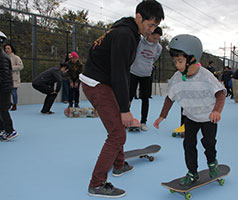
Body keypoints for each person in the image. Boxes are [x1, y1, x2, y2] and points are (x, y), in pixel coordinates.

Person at [79, 0, 164, 198]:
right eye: (150, 25)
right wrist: (124, 108)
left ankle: (119, 165)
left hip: (101, 81)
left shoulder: (126, 30)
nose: (152, 30)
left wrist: (122, 106)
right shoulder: (125, 35)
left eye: (155, 26)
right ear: (138, 17)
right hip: (97, 84)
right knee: (117, 133)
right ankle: (97, 184)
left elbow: (116, 67)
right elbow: (120, 72)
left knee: (118, 128)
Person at [153, 34, 226, 186]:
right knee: (188, 145)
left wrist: (217, 111)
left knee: (209, 143)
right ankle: (192, 172)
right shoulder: (176, 78)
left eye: (180, 61)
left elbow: (220, 94)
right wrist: (162, 116)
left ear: (193, 58)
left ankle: (212, 162)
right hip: (190, 118)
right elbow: (169, 98)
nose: (177, 65)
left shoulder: (206, 76)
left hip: (208, 118)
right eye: (175, 61)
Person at [129, 26, 163, 131]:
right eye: (154, 38)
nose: (155, 41)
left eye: (158, 39)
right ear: (149, 34)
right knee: (128, 97)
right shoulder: (139, 41)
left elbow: (154, 58)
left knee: (145, 99)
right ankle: (125, 119)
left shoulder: (159, 47)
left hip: (147, 75)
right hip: (133, 72)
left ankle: (143, 122)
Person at [0, 31, 18, 141]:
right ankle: (2, 129)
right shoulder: (3, 55)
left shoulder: (2, 56)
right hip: (4, 87)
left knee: (3, 109)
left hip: (4, 88)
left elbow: (4, 74)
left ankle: (10, 131)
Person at [4, 44, 24, 111]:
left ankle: (15, 104)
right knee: (6, 92)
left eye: (8, 48)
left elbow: (21, 66)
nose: (7, 50)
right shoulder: (3, 57)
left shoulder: (16, 57)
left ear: (11, 49)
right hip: (5, 78)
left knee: (13, 91)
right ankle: (8, 103)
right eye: (6, 48)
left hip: (14, 78)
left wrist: (11, 68)